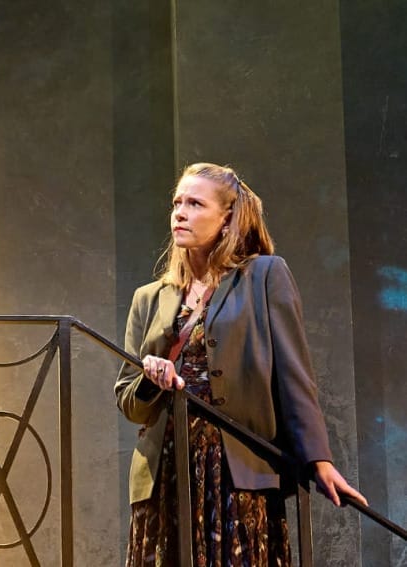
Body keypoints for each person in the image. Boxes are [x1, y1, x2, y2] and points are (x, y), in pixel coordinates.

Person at [114, 163, 366, 566]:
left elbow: (294, 376)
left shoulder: (264, 275)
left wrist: (319, 460)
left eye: (195, 204)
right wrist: (151, 380)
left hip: (237, 471)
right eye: (177, 203)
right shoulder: (149, 297)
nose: (180, 213)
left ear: (227, 216)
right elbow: (129, 403)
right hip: (165, 473)